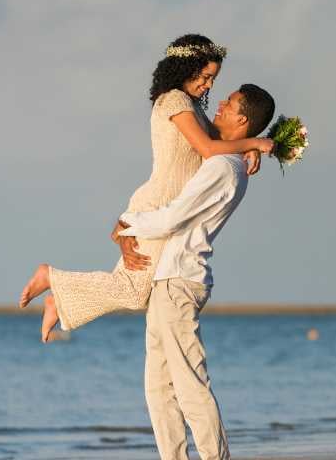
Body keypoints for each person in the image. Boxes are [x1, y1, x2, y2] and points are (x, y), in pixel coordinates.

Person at [18, 34, 273, 341]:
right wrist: (256, 142)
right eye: (205, 77)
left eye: (212, 79)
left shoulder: (191, 107)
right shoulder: (174, 100)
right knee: (133, 290)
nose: (209, 86)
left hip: (165, 206)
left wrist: (248, 149)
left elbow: (220, 143)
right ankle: (52, 281)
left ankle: (57, 297)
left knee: (132, 289)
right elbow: (207, 148)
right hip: (156, 204)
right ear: (186, 68)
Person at [114, 84, 276, 460]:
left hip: (179, 281)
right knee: (159, 387)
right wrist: (253, 145)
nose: (218, 103)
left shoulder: (223, 167)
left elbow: (174, 217)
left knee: (189, 384)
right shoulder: (228, 159)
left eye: (229, 102)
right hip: (168, 279)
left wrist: (127, 222)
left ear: (242, 119)